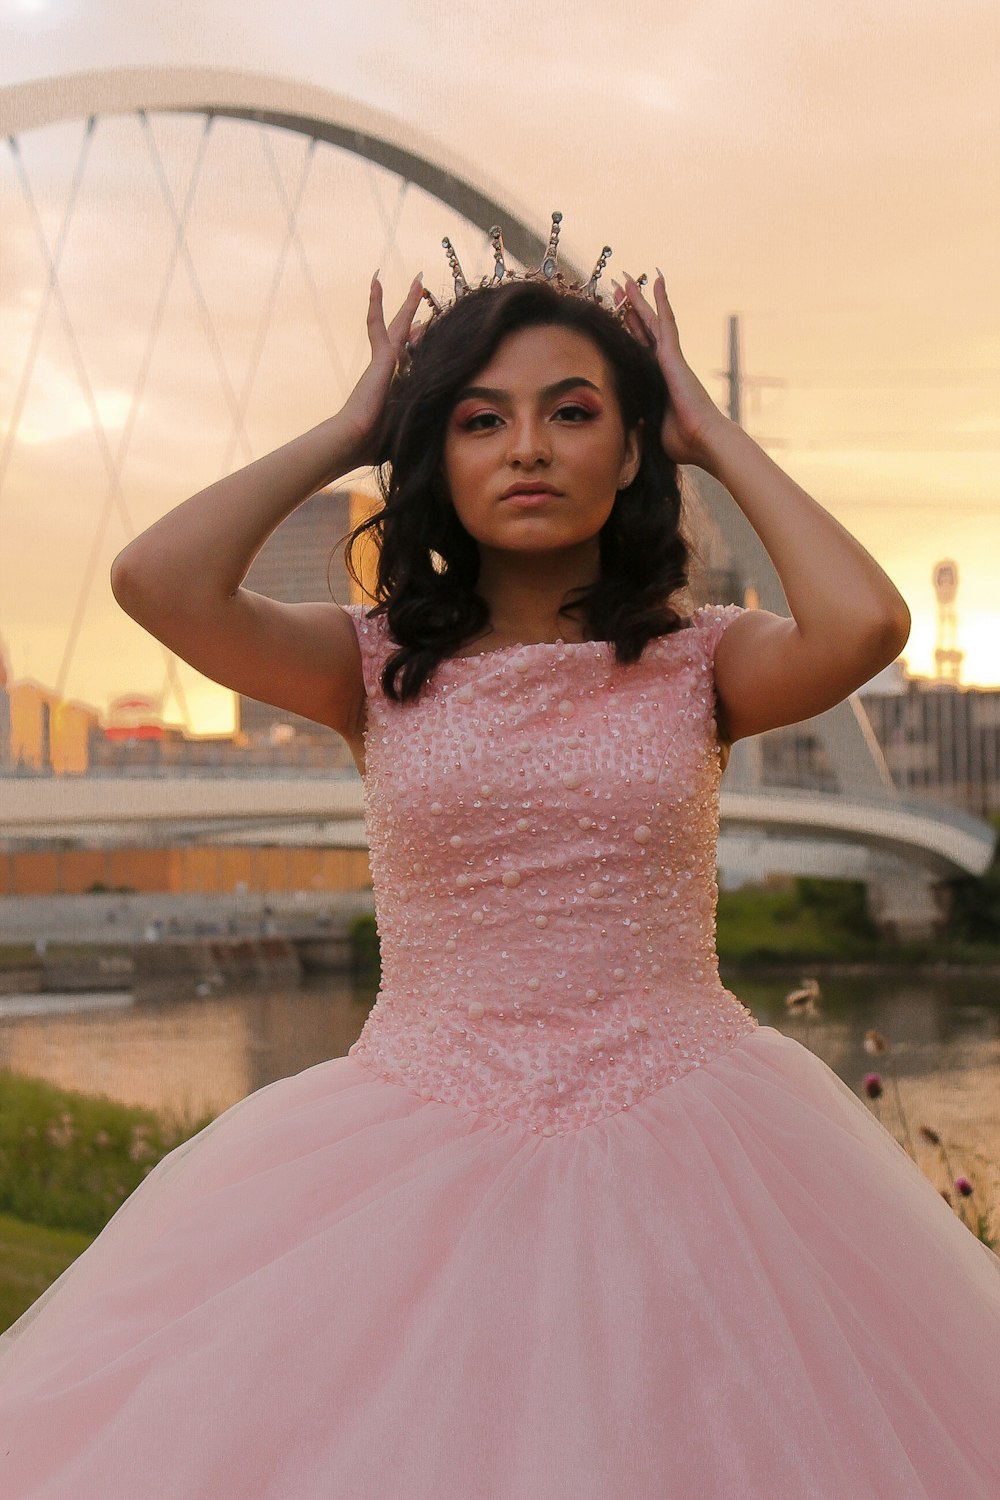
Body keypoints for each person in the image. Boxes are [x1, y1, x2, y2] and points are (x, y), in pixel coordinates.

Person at [1, 219, 998, 1500]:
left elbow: (864, 621)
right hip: (407, 1135)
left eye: (573, 412)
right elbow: (157, 580)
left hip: (694, 1141)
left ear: (630, 447)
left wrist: (708, 428)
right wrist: (354, 426)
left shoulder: (705, 662)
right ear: (435, 456)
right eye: (476, 420)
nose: (526, 446)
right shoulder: (366, 664)